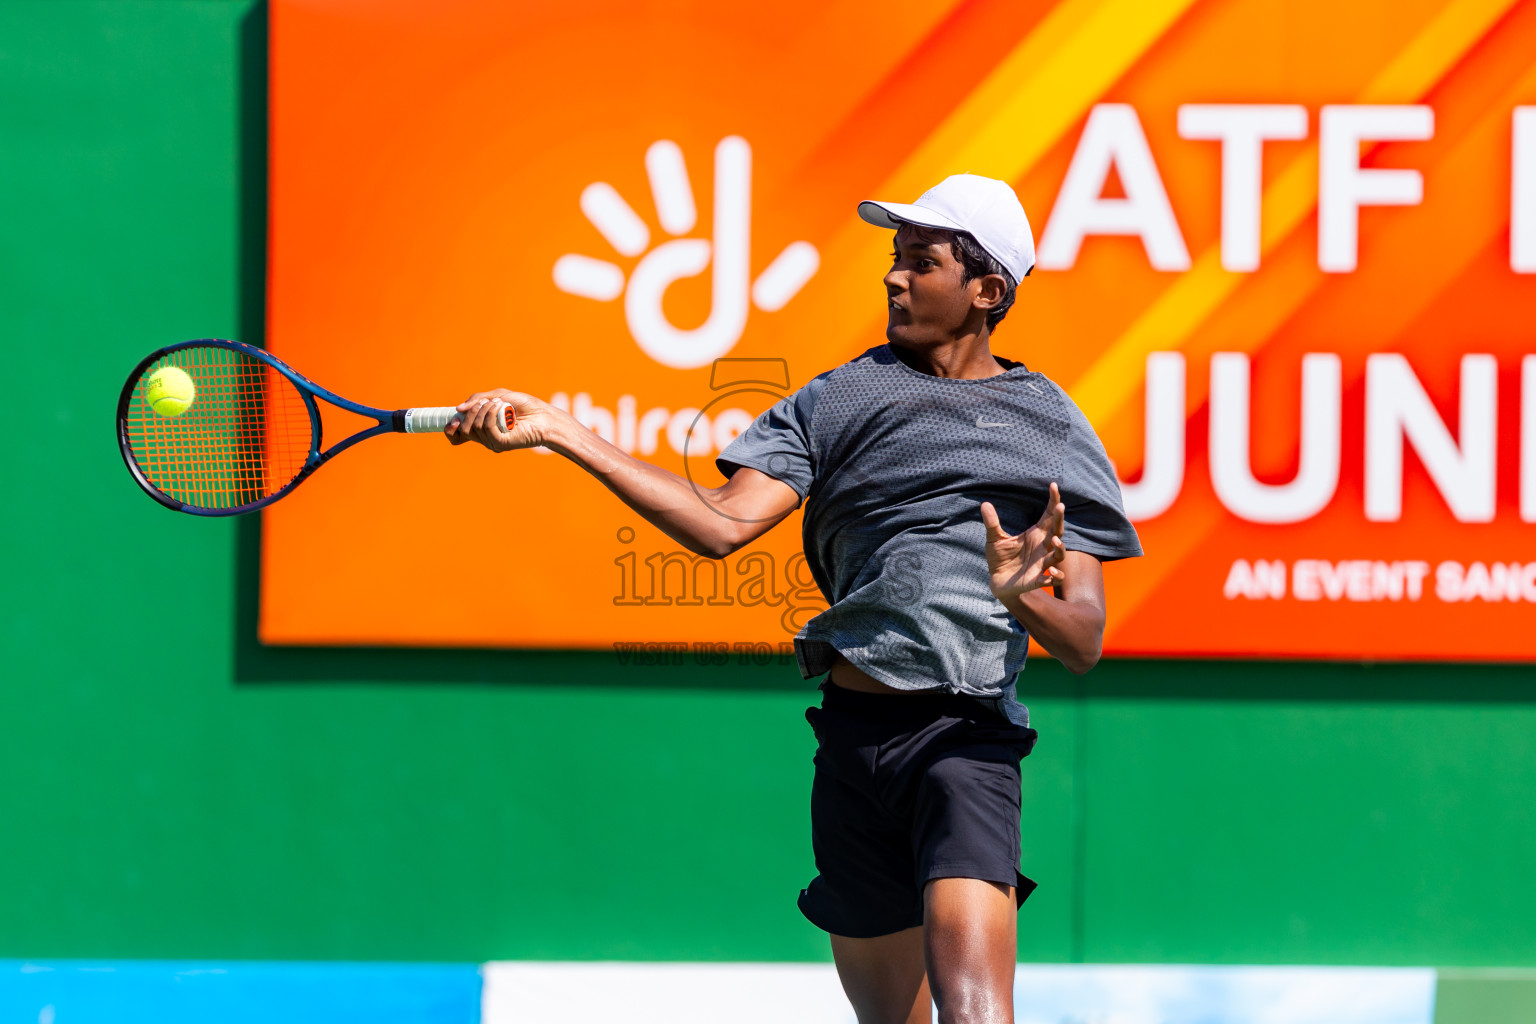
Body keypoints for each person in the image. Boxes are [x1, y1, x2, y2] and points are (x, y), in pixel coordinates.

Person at [446, 173, 1142, 1024]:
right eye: (895, 259)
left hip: (967, 746)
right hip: (854, 747)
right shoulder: (839, 399)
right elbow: (718, 526)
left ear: (987, 291)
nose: (894, 277)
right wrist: (564, 432)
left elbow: (1083, 640)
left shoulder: (1052, 426)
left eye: (920, 263)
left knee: (973, 1015)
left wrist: (1020, 597)